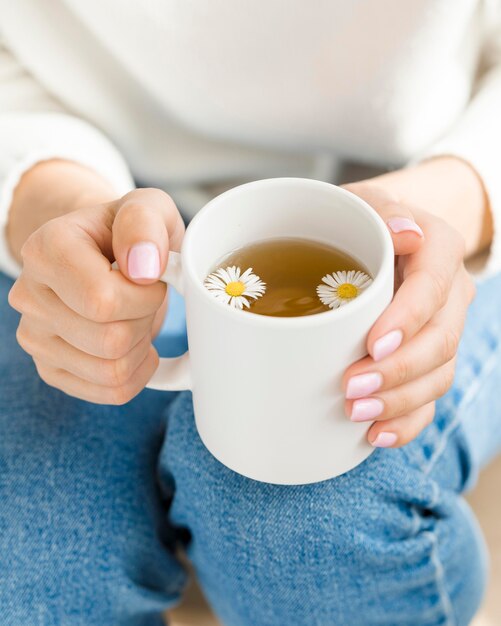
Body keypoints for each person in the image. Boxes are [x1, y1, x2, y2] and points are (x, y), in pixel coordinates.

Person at [1, 2, 500, 624]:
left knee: (311, 526)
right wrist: (52, 199)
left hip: (433, 194)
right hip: (90, 191)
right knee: (29, 554)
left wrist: (458, 197)